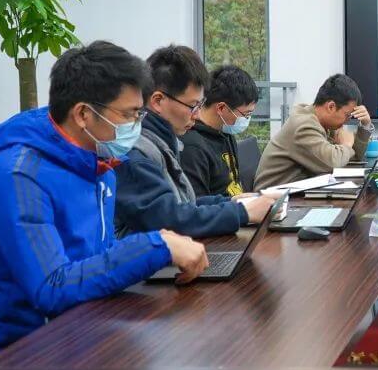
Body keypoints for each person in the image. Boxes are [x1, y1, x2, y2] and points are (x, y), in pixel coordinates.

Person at [0, 41, 209, 349]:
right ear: (82, 114)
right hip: (18, 352)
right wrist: (155, 246)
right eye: (129, 115)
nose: (136, 126)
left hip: (83, 330)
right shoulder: (19, 176)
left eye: (139, 114)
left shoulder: (98, 164)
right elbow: (51, 288)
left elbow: (97, 256)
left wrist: (161, 246)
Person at [114, 45, 273, 238]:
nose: (197, 115)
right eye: (192, 106)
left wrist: (234, 202)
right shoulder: (138, 154)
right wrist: (241, 212)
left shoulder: (163, 143)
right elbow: (169, 220)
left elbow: (184, 204)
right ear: (157, 101)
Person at [254, 74, 373, 189]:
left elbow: (353, 157)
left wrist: (365, 124)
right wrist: (346, 145)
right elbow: (331, 164)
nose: (347, 121)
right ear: (331, 107)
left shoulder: (323, 122)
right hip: (273, 196)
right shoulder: (304, 125)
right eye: (347, 115)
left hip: (294, 191)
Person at [181, 65, 258, 198]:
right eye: (245, 114)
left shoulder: (226, 133)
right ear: (221, 108)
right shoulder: (192, 147)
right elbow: (197, 204)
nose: (246, 119)